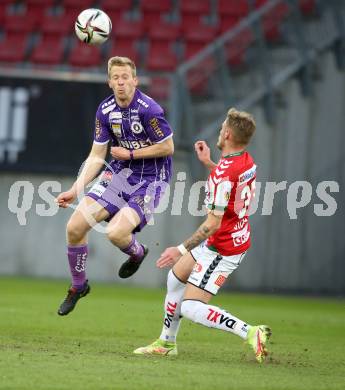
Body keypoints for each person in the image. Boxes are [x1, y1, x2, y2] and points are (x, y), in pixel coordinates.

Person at [134, 108, 271, 363]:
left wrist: (180, 248)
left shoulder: (224, 174)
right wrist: (210, 163)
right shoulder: (245, 160)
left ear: (227, 134)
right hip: (230, 236)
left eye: (221, 129)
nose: (220, 132)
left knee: (189, 306)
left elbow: (212, 224)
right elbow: (228, 179)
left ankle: (251, 332)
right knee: (175, 279)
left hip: (224, 247)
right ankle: (166, 342)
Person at [55, 56, 174, 316]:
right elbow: (97, 155)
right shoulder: (105, 110)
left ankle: (137, 252)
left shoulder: (149, 109)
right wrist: (76, 189)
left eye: (125, 78)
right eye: (116, 78)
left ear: (135, 80)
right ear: (109, 82)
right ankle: (78, 287)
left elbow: (168, 147)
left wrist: (130, 155)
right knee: (75, 227)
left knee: (115, 234)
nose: (121, 83)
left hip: (152, 179)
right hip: (120, 174)